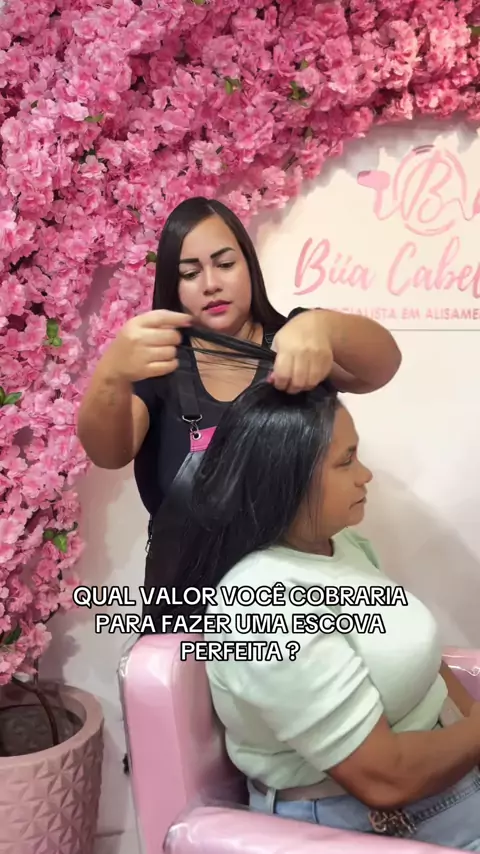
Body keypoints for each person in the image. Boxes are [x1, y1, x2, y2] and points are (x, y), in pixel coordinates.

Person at [145, 332, 480, 851]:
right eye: (346, 462)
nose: (366, 476)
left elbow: (426, 663)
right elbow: (384, 779)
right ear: (287, 478)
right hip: (375, 818)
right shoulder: (264, 602)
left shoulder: (342, 546)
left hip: (449, 773)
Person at [77, 196, 401, 549]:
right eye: (190, 273)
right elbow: (109, 455)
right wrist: (110, 375)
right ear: (173, 286)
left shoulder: (297, 341)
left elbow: (382, 367)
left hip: (295, 575)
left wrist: (324, 326)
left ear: (249, 266)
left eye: (225, 264)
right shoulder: (159, 364)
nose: (211, 284)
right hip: (192, 579)